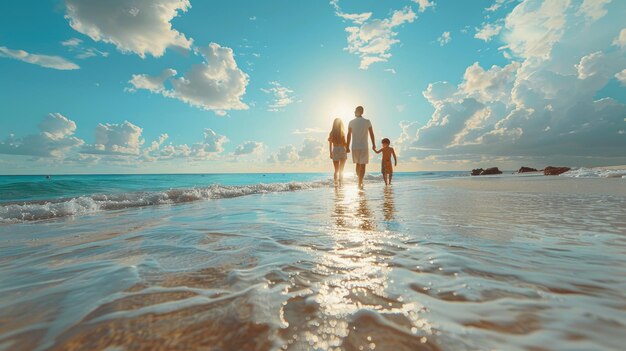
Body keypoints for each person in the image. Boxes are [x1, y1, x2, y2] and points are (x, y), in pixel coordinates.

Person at [346, 106, 376, 189]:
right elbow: (371, 134)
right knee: (363, 165)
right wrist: (373, 144)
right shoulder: (367, 121)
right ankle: (360, 181)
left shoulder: (351, 122)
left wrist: (347, 146)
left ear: (359, 112)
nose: (354, 112)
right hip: (364, 146)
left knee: (358, 164)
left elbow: (348, 135)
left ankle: (359, 181)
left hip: (355, 146)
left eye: (355, 110)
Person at [328, 118, 348, 184]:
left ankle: (335, 185)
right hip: (342, 149)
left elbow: (330, 144)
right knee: (341, 170)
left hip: (335, 149)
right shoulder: (342, 132)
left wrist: (330, 153)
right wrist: (347, 147)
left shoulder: (331, 133)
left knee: (336, 170)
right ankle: (340, 185)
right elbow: (344, 143)